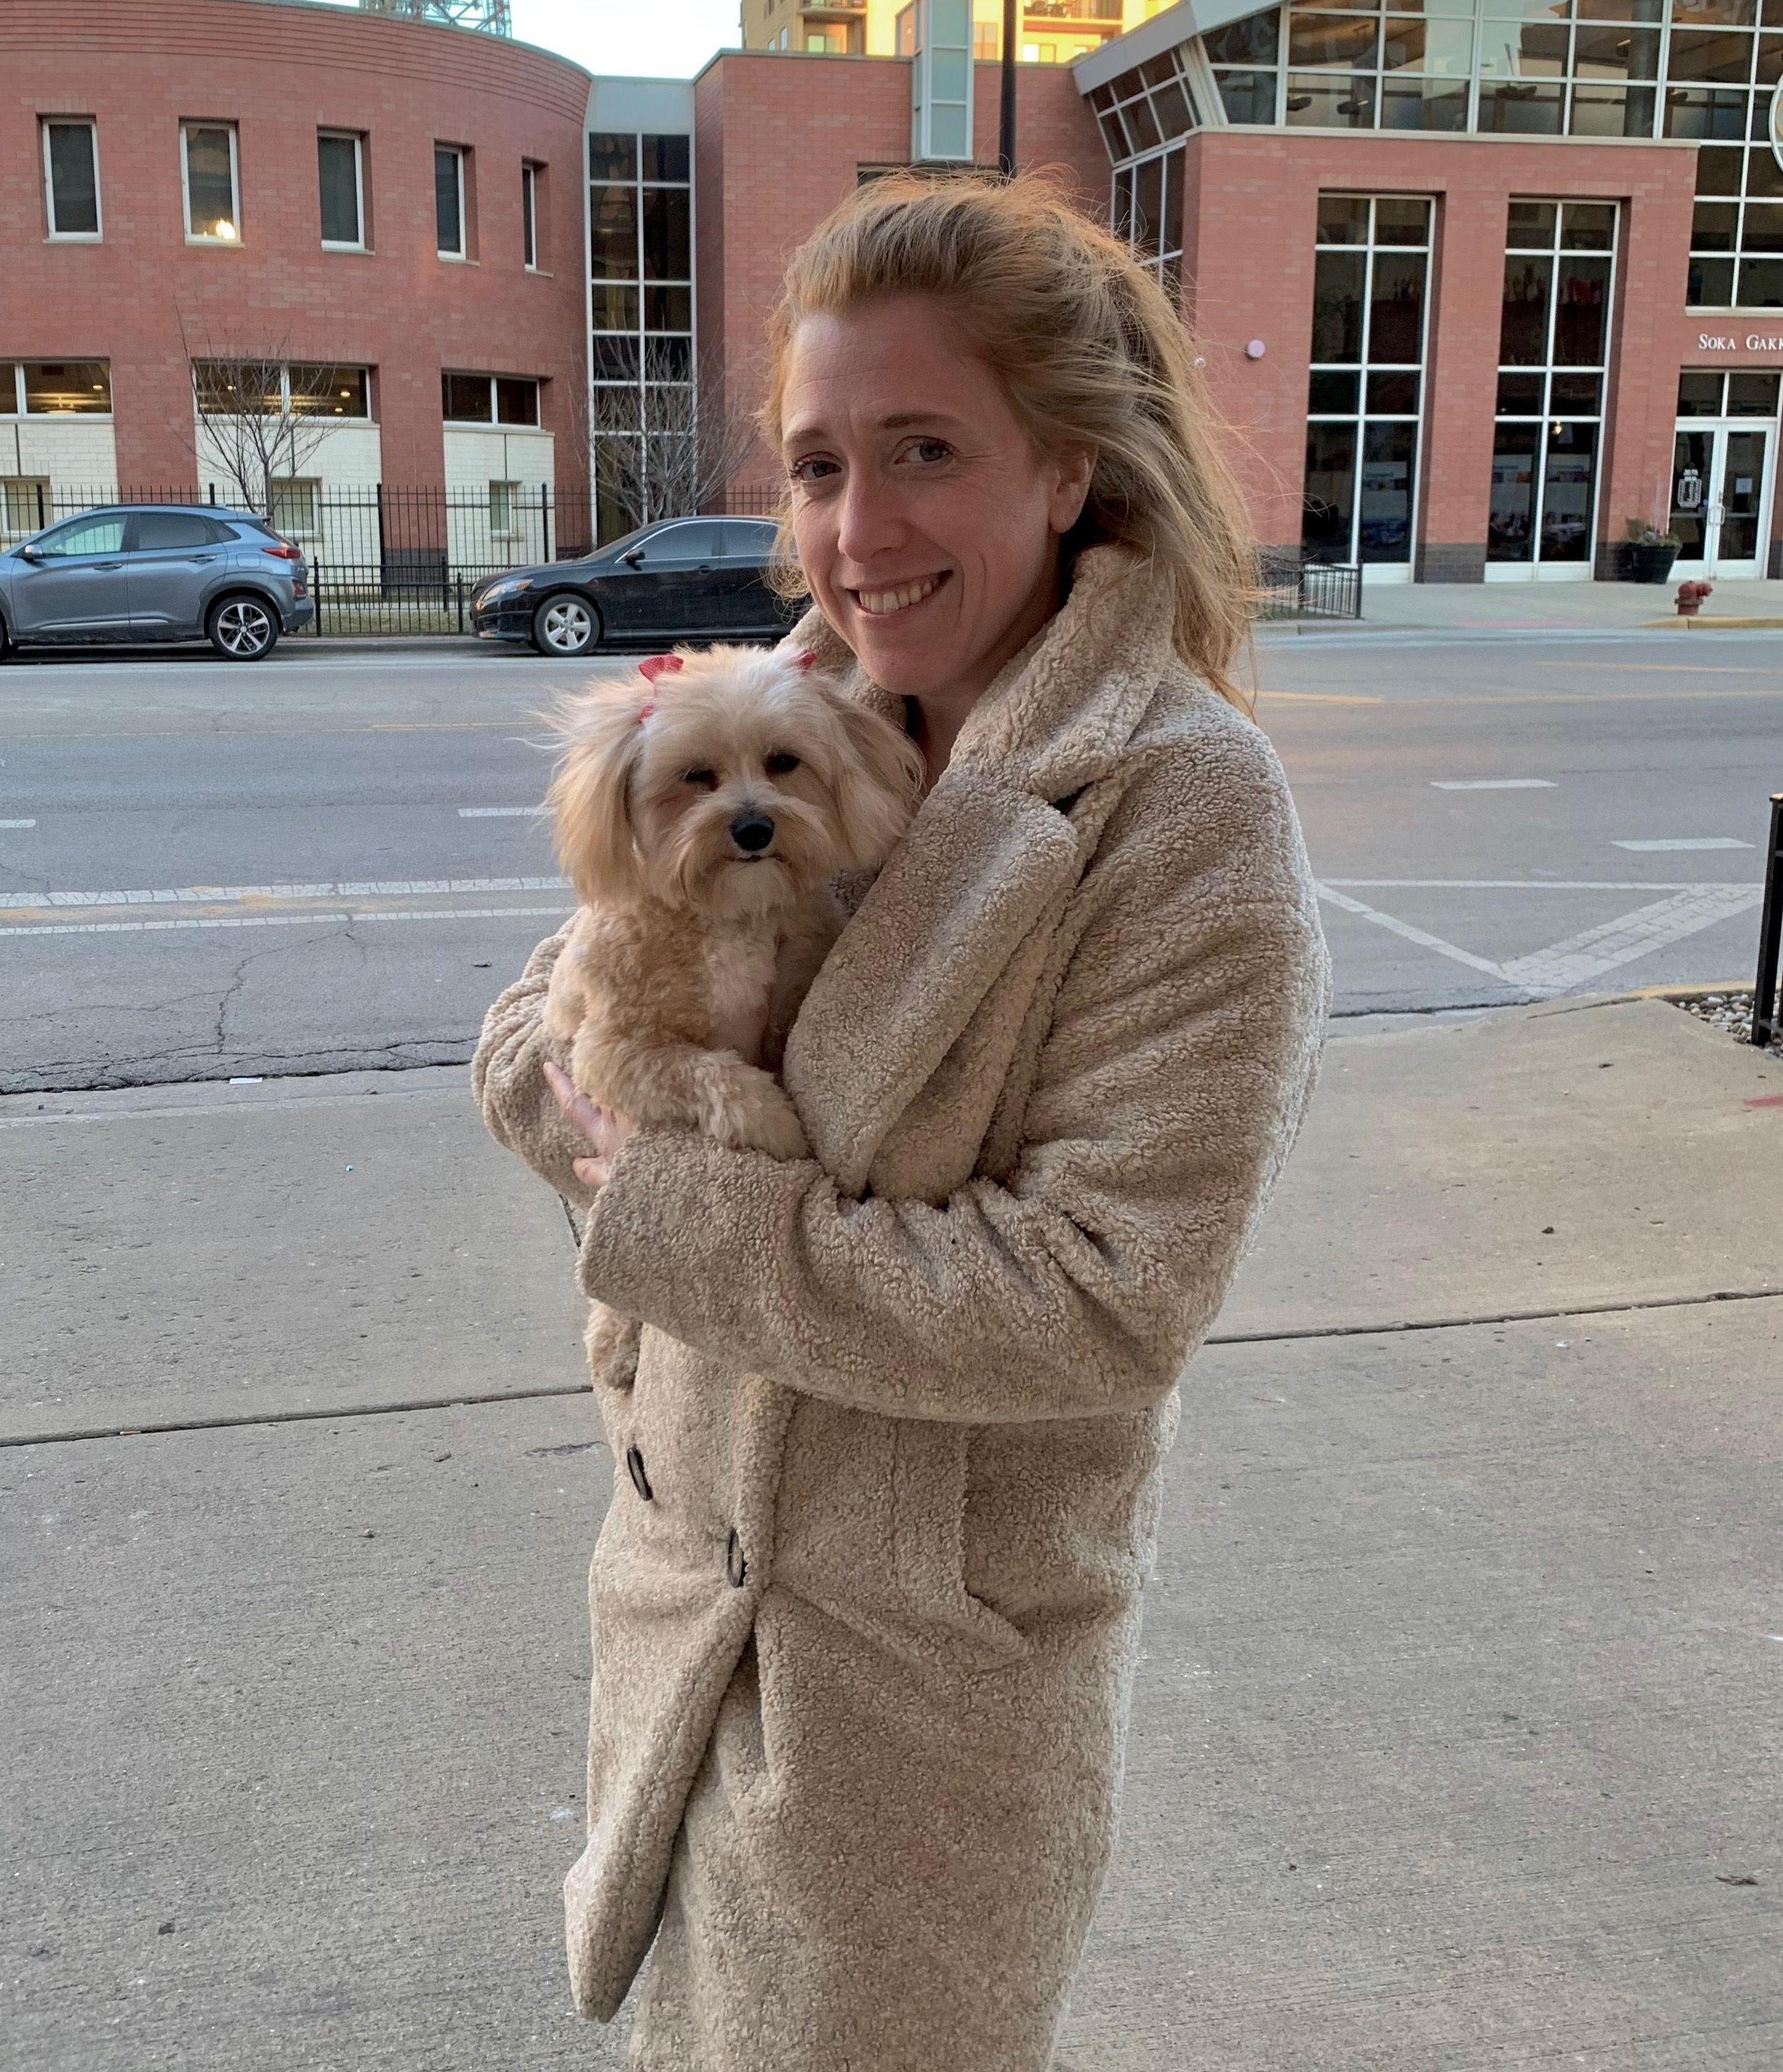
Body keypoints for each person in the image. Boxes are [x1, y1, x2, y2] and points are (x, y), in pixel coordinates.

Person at [473, 172, 1330, 2072]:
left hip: (915, 1681)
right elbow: (540, 1025)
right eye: (817, 466)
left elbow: (1098, 1302)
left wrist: (655, 1198)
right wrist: (611, 1124)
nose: (855, 531)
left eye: (923, 450)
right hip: (682, 1590)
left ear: (1068, 470)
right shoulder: (803, 703)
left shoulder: (1180, 814)